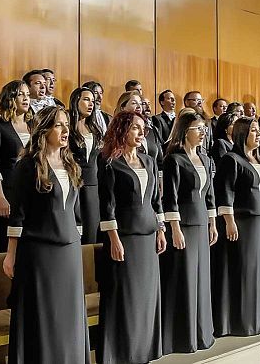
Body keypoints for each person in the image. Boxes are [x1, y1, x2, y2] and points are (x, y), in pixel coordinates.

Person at [3, 106, 89, 364]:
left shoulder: (72, 164)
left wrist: (77, 239)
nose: (65, 131)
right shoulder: (27, 166)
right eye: (59, 125)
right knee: (45, 314)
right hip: (40, 252)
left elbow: (77, 213)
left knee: (69, 313)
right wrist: (10, 255)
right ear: (44, 130)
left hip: (70, 251)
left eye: (66, 125)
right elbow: (17, 214)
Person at [97, 111, 166, 364]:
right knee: (125, 297)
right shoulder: (107, 161)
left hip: (148, 237)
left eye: (143, 128)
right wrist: (113, 238)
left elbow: (157, 200)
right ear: (122, 129)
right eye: (135, 128)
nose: (141, 132)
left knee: (146, 297)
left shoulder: (149, 160)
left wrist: (161, 229)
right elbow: (107, 205)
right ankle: (121, 353)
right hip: (124, 238)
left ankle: (143, 350)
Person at [160, 111, 217, 354]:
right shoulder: (174, 159)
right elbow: (169, 198)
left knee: (201, 280)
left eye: (204, 129)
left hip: (202, 223)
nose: (203, 133)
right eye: (198, 129)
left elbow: (210, 194)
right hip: (183, 226)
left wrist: (213, 223)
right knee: (184, 280)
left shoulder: (204, 158)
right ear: (185, 131)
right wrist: (174, 228)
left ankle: (201, 333)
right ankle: (182, 337)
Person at [212, 117, 260, 336]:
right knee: (241, 271)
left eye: (258, 131)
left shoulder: (259, 159)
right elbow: (225, 191)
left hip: (257, 223)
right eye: (254, 131)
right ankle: (237, 321)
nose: (258, 135)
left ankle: (254, 318)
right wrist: (229, 221)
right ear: (242, 134)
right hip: (240, 223)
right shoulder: (231, 159)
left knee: (255, 272)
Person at [0, 80, 32, 253]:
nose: (26, 98)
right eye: (21, 94)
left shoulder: (34, 126)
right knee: (8, 241)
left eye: (28, 94)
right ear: (10, 98)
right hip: (9, 191)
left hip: (32, 191)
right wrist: (0, 196)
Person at [68, 87, 103, 244]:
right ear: (76, 101)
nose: (91, 104)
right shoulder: (67, 128)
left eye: (93, 101)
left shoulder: (95, 128)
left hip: (93, 185)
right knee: (76, 231)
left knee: (92, 233)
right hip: (74, 184)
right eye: (86, 99)